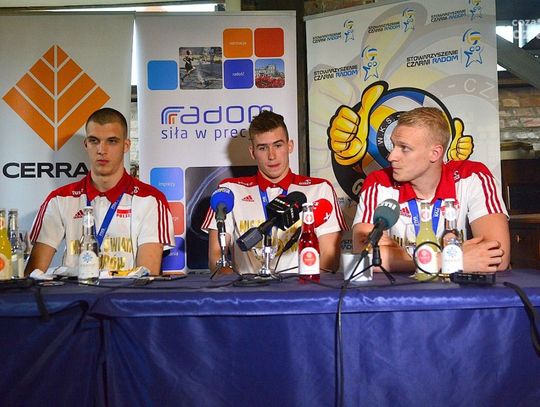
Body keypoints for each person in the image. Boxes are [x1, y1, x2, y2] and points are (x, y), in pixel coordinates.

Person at [352, 107, 510, 273]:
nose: (391, 156)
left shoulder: (472, 177)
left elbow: (498, 257)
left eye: (404, 148)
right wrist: (447, 260)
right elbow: (364, 254)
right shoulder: (379, 182)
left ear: (435, 153)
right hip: (405, 289)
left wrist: (395, 254)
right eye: (393, 145)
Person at [25, 107, 175, 276]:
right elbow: (33, 275)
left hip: (126, 293)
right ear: (86, 144)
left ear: (126, 146)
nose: (102, 150)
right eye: (94, 141)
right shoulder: (59, 199)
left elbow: (147, 276)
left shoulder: (150, 199)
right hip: (74, 292)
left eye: (112, 141)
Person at [202, 110, 348, 274]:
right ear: (252, 152)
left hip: (301, 288)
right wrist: (237, 286)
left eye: (278, 145)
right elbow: (216, 258)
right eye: (263, 148)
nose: (271, 156)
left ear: (290, 146)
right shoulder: (229, 190)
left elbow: (330, 258)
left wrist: (306, 287)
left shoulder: (320, 189)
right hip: (246, 289)